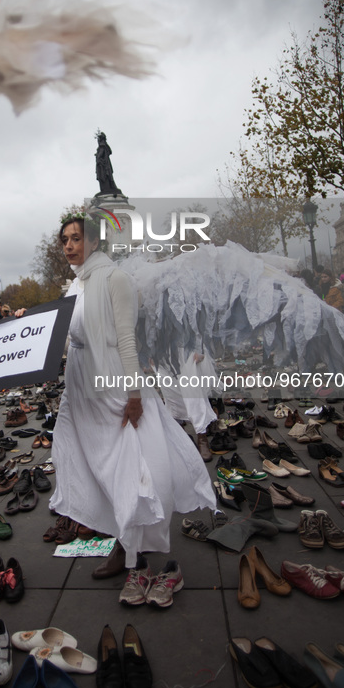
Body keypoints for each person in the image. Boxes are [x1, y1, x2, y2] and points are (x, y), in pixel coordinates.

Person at [48, 213, 215, 602]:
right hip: (80, 383)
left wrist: (135, 394)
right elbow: (69, 336)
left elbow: (126, 340)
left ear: (94, 241)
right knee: (95, 467)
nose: (69, 245)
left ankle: (133, 554)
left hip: (111, 386)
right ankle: (120, 541)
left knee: (124, 467)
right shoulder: (77, 283)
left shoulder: (115, 279)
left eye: (76, 238)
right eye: (64, 240)